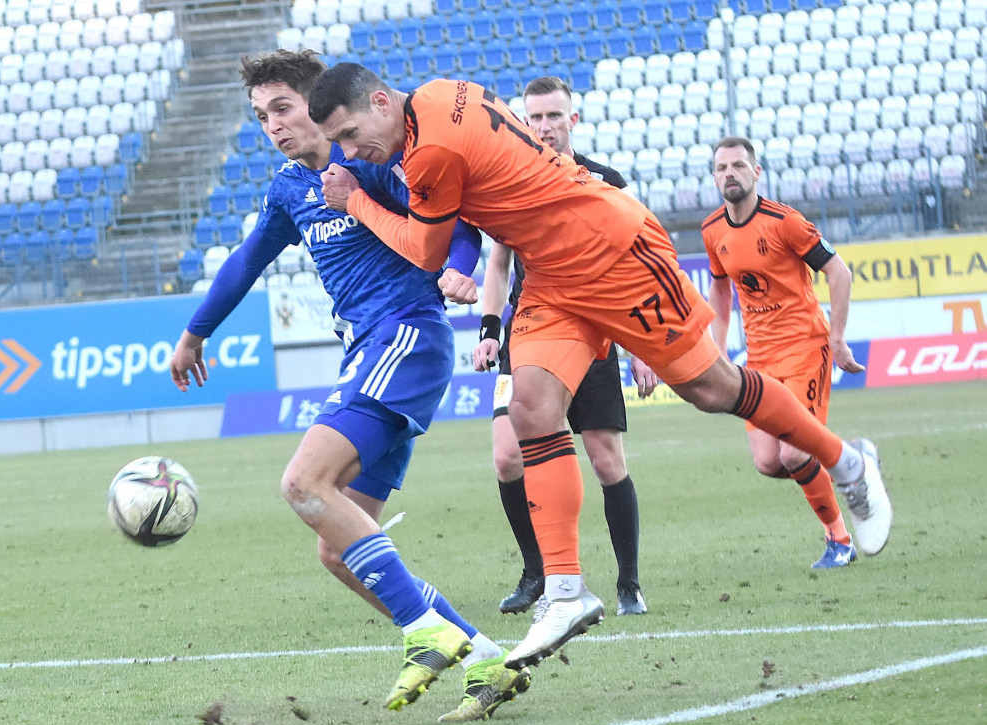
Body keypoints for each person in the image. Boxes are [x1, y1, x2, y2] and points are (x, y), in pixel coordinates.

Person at [307, 65, 893, 672]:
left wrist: (356, 202)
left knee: (714, 389)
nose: (350, 151)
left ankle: (849, 464)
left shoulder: (429, 152)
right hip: (551, 272)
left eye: (350, 134)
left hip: (613, 252)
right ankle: (565, 591)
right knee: (531, 409)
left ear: (381, 101)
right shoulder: (438, 94)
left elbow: (427, 252)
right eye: (339, 143)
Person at [169, 50, 530, 722]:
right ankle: (484, 659)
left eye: (283, 108)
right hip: (370, 354)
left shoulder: (367, 159)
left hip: (405, 337)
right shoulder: (289, 189)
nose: (274, 126)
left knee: (303, 484)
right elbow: (247, 260)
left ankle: (423, 631)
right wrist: (196, 332)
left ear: (319, 105)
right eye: (262, 116)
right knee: (338, 549)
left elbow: (457, 223)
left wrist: (458, 266)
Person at [472, 76, 655, 617]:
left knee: (605, 459)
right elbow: (498, 265)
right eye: (535, 118)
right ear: (523, 122)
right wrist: (489, 329)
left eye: (554, 116)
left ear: (572, 120)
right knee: (506, 456)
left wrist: (642, 347)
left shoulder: (605, 183)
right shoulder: (508, 183)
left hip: (591, 334)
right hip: (526, 337)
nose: (544, 126)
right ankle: (536, 572)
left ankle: (628, 584)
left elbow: (634, 266)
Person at [704, 136, 870, 569]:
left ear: (756, 172)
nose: (730, 174)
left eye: (738, 166)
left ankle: (839, 540)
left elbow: (839, 272)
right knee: (768, 462)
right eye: (721, 168)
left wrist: (837, 338)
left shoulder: (785, 222)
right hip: (759, 359)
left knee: (794, 453)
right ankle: (849, 458)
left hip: (804, 347)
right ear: (714, 177)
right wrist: (718, 348)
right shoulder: (712, 230)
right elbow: (720, 289)